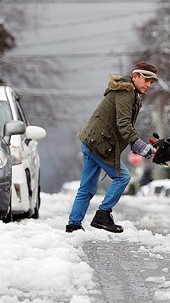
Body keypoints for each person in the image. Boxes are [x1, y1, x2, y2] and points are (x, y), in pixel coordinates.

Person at [67, 62, 160, 233]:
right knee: (123, 177)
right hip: (99, 144)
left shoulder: (129, 93)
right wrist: (139, 145)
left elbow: (124, 126)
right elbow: (124, 123)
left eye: (151, 82)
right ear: (135, 77)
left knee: (87, 188)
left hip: (92, 140)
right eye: (146, 80)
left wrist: (137, 144)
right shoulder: (126, 93)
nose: (148, 85)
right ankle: (103, 214)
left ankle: (73, 225)